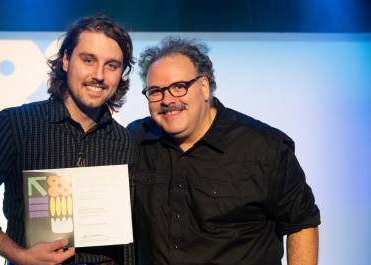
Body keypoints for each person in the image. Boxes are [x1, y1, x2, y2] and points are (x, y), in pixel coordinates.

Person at [0, 15, 136, 265]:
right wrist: (18, 255)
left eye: (112, 65)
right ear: (66, 60)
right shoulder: (18, 125)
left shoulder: (125, 141)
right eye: (88, 60)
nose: (99, 75)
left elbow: (129, 238)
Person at [127, 37, 320, 265]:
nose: (168, 100)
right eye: (156, 91)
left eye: (179, 87)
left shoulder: (264, 147)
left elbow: (302, 223)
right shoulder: (135, 140)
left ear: (204, 87)